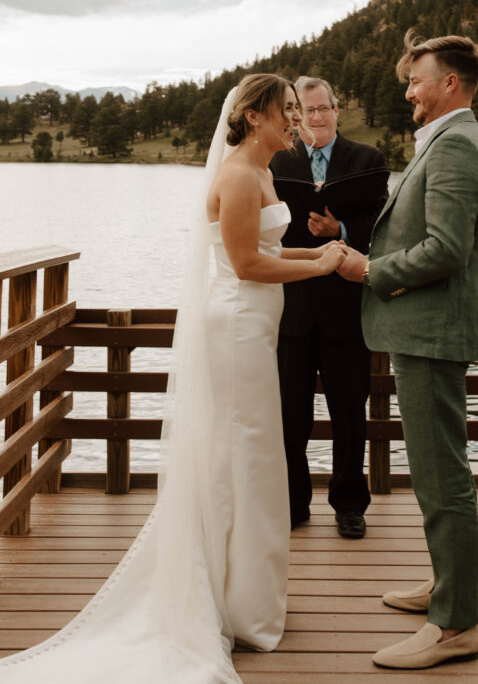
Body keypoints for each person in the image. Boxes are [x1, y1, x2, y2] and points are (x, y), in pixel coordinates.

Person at [0, 73, 344, 684]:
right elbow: (242, 264)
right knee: (243, 454)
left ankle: (246, 598)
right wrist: (316, 269)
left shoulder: (264, 173)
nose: (296, 119)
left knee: (254, 456)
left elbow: (267, 249)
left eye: (298, 109)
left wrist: (319, 256)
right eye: (286, 110)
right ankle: (222, 599)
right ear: (254, 116)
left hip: (255, 327)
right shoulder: (238, 175)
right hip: (236, 328)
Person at [338, 32, 478, 670]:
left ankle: (456, 625)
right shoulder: (450, 137)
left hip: (433, 332)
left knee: (442, 476)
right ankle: (445, 587)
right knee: (439, 471)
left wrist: (367, 272)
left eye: (417, 79)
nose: (408, 90)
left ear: (450, 84)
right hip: (426, 329)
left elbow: (446, 250)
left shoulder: (456, 143)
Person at [270, 76, 388, 539]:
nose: (315, 118)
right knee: (289, 414)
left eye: (323, 109)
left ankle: (349, 505)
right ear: (295, 114)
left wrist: (339, 230)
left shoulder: (367, 160)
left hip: (346, 309)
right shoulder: (278, 159)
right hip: (292, 310)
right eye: (306, 110)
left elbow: (380, 225)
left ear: (337, 110)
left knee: (349, 414)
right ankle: (293, 502)